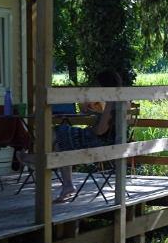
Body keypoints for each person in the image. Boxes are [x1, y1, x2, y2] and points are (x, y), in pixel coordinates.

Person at [51, 69, 123, 202]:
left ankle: (37, 160)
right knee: (62, 141)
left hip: (99, 143)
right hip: (113, 142)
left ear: (104, 86)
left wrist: (92, 128)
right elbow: (109, 124)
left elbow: (101, 130)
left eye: (98, 85)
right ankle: (67, 184)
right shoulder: (122, 99)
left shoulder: (111, 102)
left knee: (58, 132)